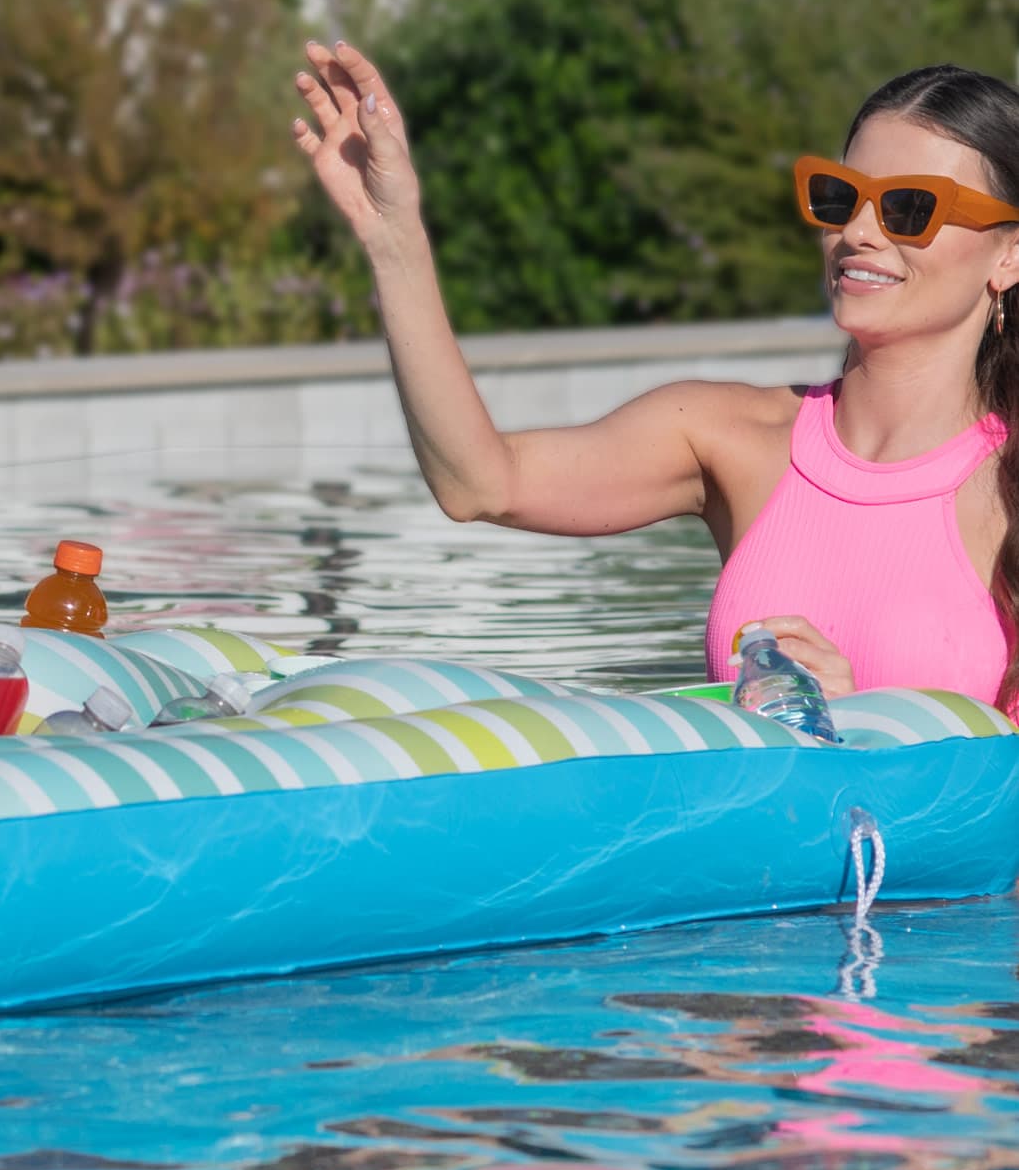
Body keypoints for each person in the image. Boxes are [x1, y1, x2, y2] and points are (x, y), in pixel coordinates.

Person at [292, 44, 1019, 708]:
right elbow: (480, 482)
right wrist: (394, 240)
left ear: (1008, 258)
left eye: (909, 209)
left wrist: (873, 730)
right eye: (839, 196)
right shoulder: (727, 439)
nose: (859, 231)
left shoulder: (1008, 488)